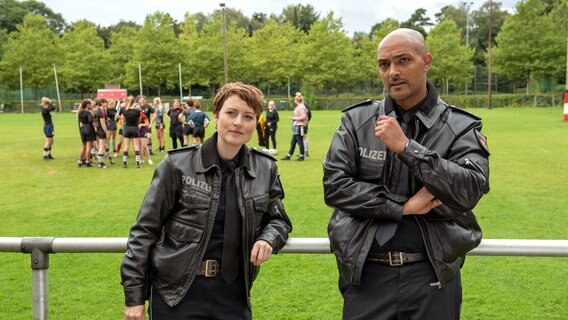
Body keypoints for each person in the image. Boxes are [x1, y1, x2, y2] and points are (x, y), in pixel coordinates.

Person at [322, 28, 490, 320]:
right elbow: (335, 187)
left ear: (426, 61)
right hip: (366, 277)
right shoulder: (357, 121)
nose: (392, 72)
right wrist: (402, 207)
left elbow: (471, 189)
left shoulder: (459, 126)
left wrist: (408, 149)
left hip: (432, 279)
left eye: (403, 61)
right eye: (384, 64)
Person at [121, 82, 292, 320]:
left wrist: (268, 238)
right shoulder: (177, 166)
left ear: (256, 123)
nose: (238, 122)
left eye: (248, 116)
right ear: (215, 116)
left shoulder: (265, 168)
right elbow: (144, 231)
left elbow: (279, 220)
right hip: (177, 294)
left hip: (233, 296)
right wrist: (135, 297)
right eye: (231, 113)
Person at [281, 95, 308, 161]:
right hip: (296, 127)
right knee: (293, 142)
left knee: (300, 141)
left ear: (296, 100)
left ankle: (301, 156)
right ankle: (289, 155)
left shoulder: (301, 107)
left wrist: (293, 118)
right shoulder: (298, 107)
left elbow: (303, 117)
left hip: (300, 127)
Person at [121, 96, 142, 168]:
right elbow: (139, 121)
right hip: (135, 128)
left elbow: (124, 120)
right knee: (136, 146)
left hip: (127, 128)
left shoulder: (125, 111)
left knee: (126, 146)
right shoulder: (137, 111)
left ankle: (124, 162)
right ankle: (138, 163)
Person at [76, 99, 96, 167]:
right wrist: (94, 123)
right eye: (90, 104)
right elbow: (90, 120)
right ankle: (87, 161)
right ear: (87, 105)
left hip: (82, 130)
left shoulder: (79, 112)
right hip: (89, 129)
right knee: (88, 146)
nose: (91, 105)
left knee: (83, 146)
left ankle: (79, 160)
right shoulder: (88, 112)